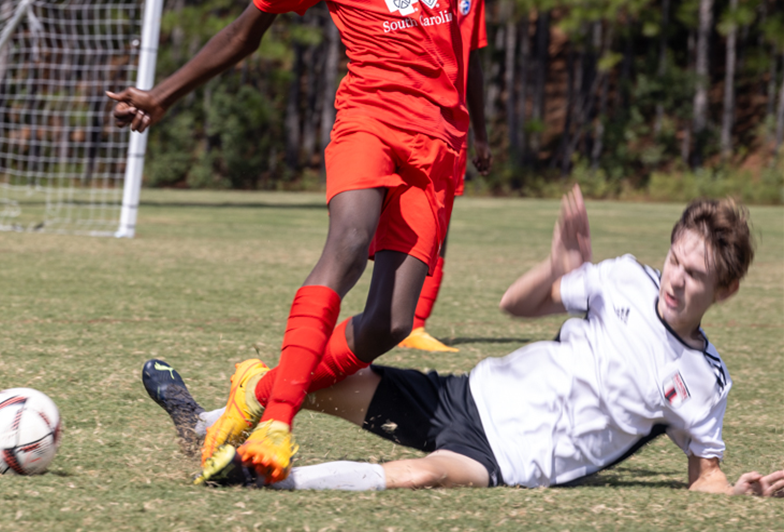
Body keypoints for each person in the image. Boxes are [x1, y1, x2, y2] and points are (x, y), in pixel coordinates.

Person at [142, 187, 784, 496]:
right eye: (677, 259)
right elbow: (516, 305)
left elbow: (706, 475)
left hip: (506, 461)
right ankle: (201, 422)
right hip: (467, 397)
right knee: (314, 381)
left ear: (723, 291)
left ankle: (262, 481)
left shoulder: (705, 381)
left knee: (419, 477)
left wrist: (740, 492)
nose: (676, 278)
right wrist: (556, 267)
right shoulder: (621, 278)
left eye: (696, 274)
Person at [109, 0, 487, 484]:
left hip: (438, 144)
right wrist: (163, 96)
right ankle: (275, 423)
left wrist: (477, 128)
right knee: (347, 247)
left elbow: (470, 49)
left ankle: (256, 392)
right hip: (370, 119)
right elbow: (245, 30)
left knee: (390, 323)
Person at [399, 5, 492, 353]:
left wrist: (481, 134)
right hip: (396, 111)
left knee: (438, 223)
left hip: (450, 123)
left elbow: (472, 61)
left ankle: (414, 324)